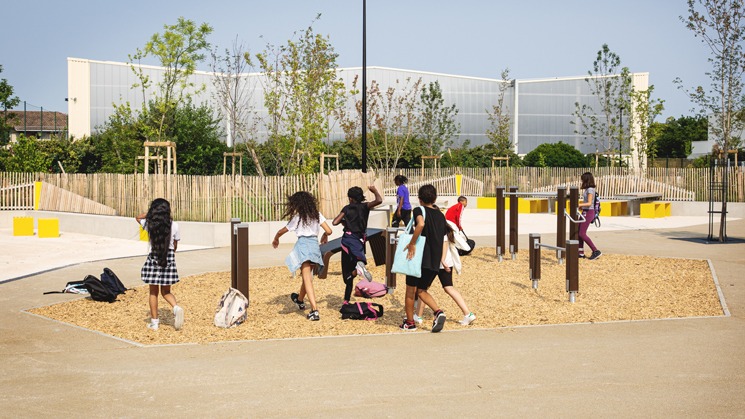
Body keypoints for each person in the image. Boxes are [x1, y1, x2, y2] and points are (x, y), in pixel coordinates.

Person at [272, 191, 332, 321]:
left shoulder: (298, 218)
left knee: (307, 279)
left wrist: (276, 238)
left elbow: (282, 230)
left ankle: (314, 310)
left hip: (303, 246)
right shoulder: (317, 215)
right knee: (307, 277)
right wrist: (325, 235)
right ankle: (299, 300)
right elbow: (329, 230)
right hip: (314, 246)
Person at [399, 184, 448, 333]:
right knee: (421, 291)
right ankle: (438, 312)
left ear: (419, 199)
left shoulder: (419, 210)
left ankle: (409, 323)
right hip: (433, 261)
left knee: (410, 290)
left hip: (419, 258)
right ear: (435, 198)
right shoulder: (440, 215)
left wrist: (412, 243)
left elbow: (420, 224)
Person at [414, 220, 476, 326]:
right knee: (448, 287)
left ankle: (418, 316)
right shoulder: (445, 224)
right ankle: (468, 314)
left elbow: (445, 243)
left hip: (436, 263)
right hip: (447, 262)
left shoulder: (436, 225)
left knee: (423, 289)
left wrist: (441, 260)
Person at [136, 198, 184, 331]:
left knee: (153, 292)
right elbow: (175, 244)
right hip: (168, 258)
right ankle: (176, 307)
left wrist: (150, 213)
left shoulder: (149, 223)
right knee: (166, 291)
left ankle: (155, 322)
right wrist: (171, 253)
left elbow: (137, 217)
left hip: (154, 257)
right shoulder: (174, 225)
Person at [331, 185, 383, 305]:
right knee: (358, 262)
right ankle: (358, 269)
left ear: (350, 198)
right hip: (359, 241)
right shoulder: (365, 206)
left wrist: (346, 223)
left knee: (347, 274)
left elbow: (335, 222)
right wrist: (374, 190)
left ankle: (346, 299)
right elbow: (379, 200)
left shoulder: (347, 208)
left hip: (347, 241)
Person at [578, 172, 602, 260]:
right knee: (578, 232)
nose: (581, 181)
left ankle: (595, 251)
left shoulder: (590, 190)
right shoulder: (587, 189)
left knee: (582, 233)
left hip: (589, 212)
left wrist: (579, 205)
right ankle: (580, 252)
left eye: (582, 179)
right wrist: (582, 207)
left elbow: (589, 203)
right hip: (585, 211)